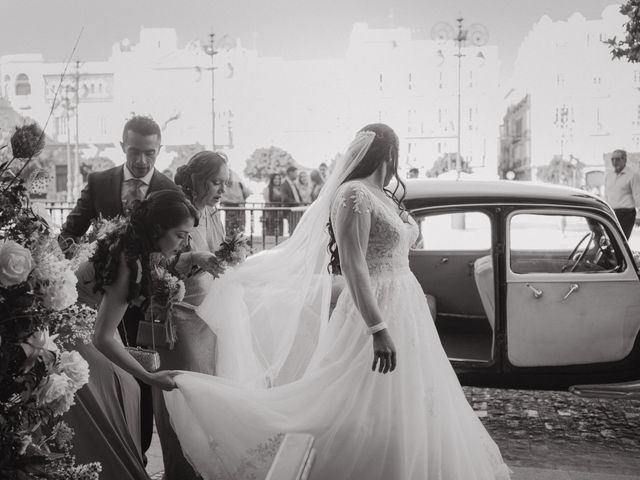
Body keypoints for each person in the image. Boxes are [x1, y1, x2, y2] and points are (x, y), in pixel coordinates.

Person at [163, 124, 510, 480]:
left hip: (406, 303)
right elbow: (353, 262)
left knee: (408, 396)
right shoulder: (353, 194)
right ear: (389, 152)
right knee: (350, 395)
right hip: (373, 307)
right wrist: (377, 326)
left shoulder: (385, 194)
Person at [66, 190, 211, 478]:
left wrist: (196, 256)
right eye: (181, 235)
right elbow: (103, 338)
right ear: (158, 229)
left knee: (128, 388)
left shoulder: (131, 240)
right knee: (124, 386)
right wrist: (151, 377)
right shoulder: (128, 263)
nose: (185, 242)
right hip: (74, 327)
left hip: (84, 319)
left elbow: (164, 261)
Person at [59, 115, 179, 461]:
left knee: (135, 383)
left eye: (149, 153)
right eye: (134, 151)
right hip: (94, 297)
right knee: (105, 382)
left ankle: (135, 451)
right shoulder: (99, 181)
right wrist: (78, 268)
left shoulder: (169, 189)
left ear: (159, 150)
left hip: (139, 300)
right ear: (122, 146)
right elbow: (70, 231)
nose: (141, 161)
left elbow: (174, 250)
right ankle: (113, 454)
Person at [156, 151, 229, 479]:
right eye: (216, 182)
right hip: (180, 317)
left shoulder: (213, 212)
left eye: (225, 183)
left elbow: (221, 252)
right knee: (183, 398)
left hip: (208, 317)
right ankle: (180, 471)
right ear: (198, 179)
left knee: (207, 401)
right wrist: (191, 259)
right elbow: (155, 261)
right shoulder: (175, 208)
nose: (222, 190)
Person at [605, 149, 640, 239]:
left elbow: (638, 195)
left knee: (621, 242)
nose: (614, 162)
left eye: (618, 159)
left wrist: (639, 216)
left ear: (625, 160)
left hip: (626, 213)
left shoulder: (632, 175)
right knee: (610, 241)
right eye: (612, 159)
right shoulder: (609, 175)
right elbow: (607, 195)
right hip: (611, 213)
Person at [221, 168, 252, 234]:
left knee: (239, 226)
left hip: (239, 207)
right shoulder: (222, 185)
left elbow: (247, 193)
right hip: (229, 208)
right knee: (230, 226)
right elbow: (221, 198)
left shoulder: (238, 184)